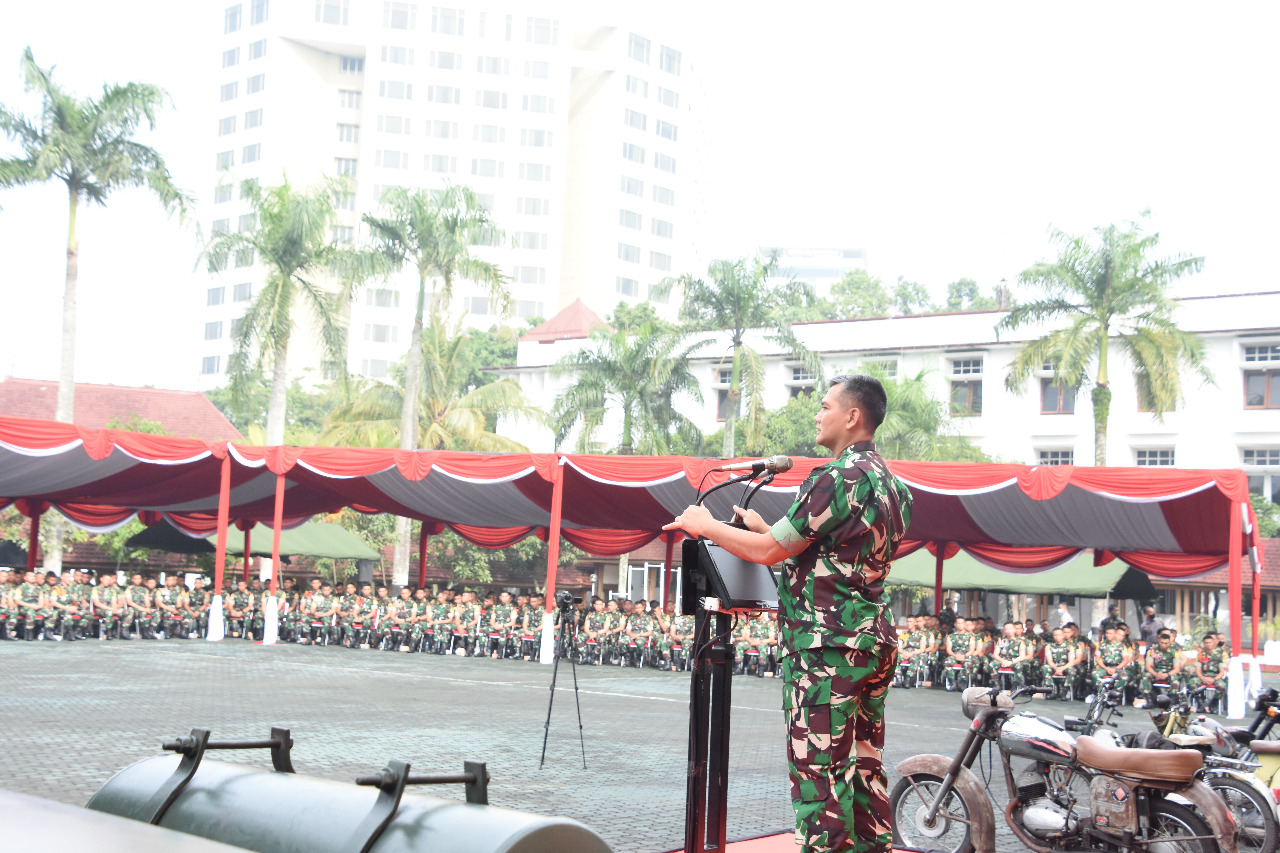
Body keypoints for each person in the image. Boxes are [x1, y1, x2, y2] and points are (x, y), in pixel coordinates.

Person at [665, 373, 913, 853]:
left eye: (824, 406)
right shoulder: (894, 488)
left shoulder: (835, 476)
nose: (818, 415)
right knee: (863, 764)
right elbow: (828, 553)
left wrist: (706, 524)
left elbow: (767, 553)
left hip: (827, 649)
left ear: (852, 416)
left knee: (819, 770)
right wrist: (763, 528)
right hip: (872, 641)